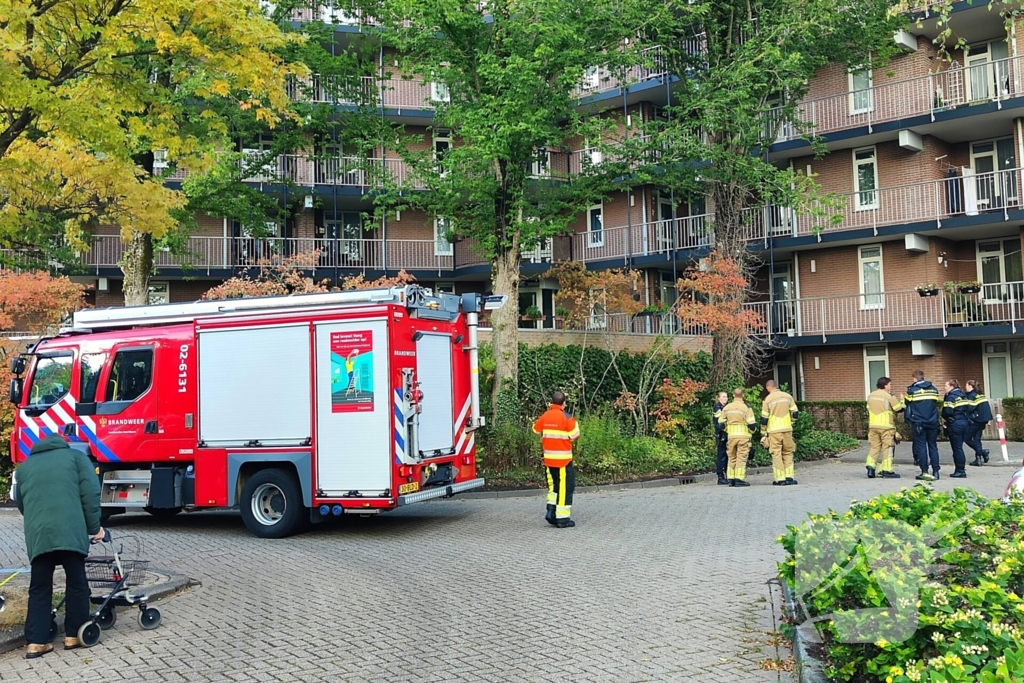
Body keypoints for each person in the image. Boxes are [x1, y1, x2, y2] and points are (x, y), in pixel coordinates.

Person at [14, 434, 103, 658]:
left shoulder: (25, 467)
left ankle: (36, 642)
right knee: (76, 582)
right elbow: (90, 494)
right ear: (63, 444)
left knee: (39, 587)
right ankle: (74, 635)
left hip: (39, 533)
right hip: (70, 530)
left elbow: (21, 501)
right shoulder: (76, 458)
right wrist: (94, 528)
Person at [532, 391, 580, 528]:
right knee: (565, 488)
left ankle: (551, 512)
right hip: (563, 461)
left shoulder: (545, 415)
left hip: (548, 460)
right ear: (564, 403)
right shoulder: (567, 417)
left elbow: (535, 429)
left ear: (551, 402)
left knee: (553, 488)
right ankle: (562, 519)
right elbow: (575, 435)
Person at [904, 370, 943, 481]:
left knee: (921, 446)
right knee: (933, 446)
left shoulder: (912, 390)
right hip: (932, 422)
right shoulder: (934, 389)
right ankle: (936, 471)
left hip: (919, 422)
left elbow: (907, 403)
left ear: (915, 379)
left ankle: (924, 471)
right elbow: (934, 403)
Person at [761, 380, 800, 486]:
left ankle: (780, 479)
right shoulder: (788, 396)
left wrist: (763, 432)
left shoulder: (767, 399)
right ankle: (789, 477)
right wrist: (791, 422)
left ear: (768, 388)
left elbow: (764, 419)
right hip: (787, 429)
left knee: (776, 454)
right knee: (788, 452)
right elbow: (795, 413)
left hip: (774, 431)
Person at [866, 377, 904, 479]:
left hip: (873, 426)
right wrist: (902, 401)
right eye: (890, 384)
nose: (891, 386)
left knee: (874, 447)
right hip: (886, 427)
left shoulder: (870, 396)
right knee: (887, 448)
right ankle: (887, 470)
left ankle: (870, 467)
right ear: (886, 385)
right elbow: (898, 409)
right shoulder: (889, 396)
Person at [718, 388, 756, 487]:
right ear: (742, 395)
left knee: (732, 457)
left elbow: (720, 423)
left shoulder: (727, 408)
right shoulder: (746, 408)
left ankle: (731, 479)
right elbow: (752, 425)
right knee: (741, 457)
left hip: (731, 437)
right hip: (743, 436)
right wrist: (751, 432)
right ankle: (739, 479)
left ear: (733, 395)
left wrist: (727, 429)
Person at [942, 379, 971, 479]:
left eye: (946, 385)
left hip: (955, 423)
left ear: (951, 386)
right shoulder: (963, 395)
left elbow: (947, 411)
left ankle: (960, 470)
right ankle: (961, 469)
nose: (944, 387)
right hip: (964, 422)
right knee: (959, 447)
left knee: (957, 448)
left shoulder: (951, 397)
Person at [964, 380, 992, 467]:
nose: (965, 387)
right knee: (977, 439)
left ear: (970, 386)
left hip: (975, 420)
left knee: (966, 438)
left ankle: (982, 452)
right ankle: (979, 458)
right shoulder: (981, 395)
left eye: (966, 385)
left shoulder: (972, 396)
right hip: (982, 421)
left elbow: (969, 408)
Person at [713, 391, 730, 485]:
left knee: (727, 456)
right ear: (719, 398)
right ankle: (720, 477)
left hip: (726, 434)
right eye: (723, 397)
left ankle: (726, 475)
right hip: (721, 435)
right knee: (721, 456)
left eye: (726, 397)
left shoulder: (725, 408)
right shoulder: (717, 408)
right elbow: (720, 422)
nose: (725, 399)